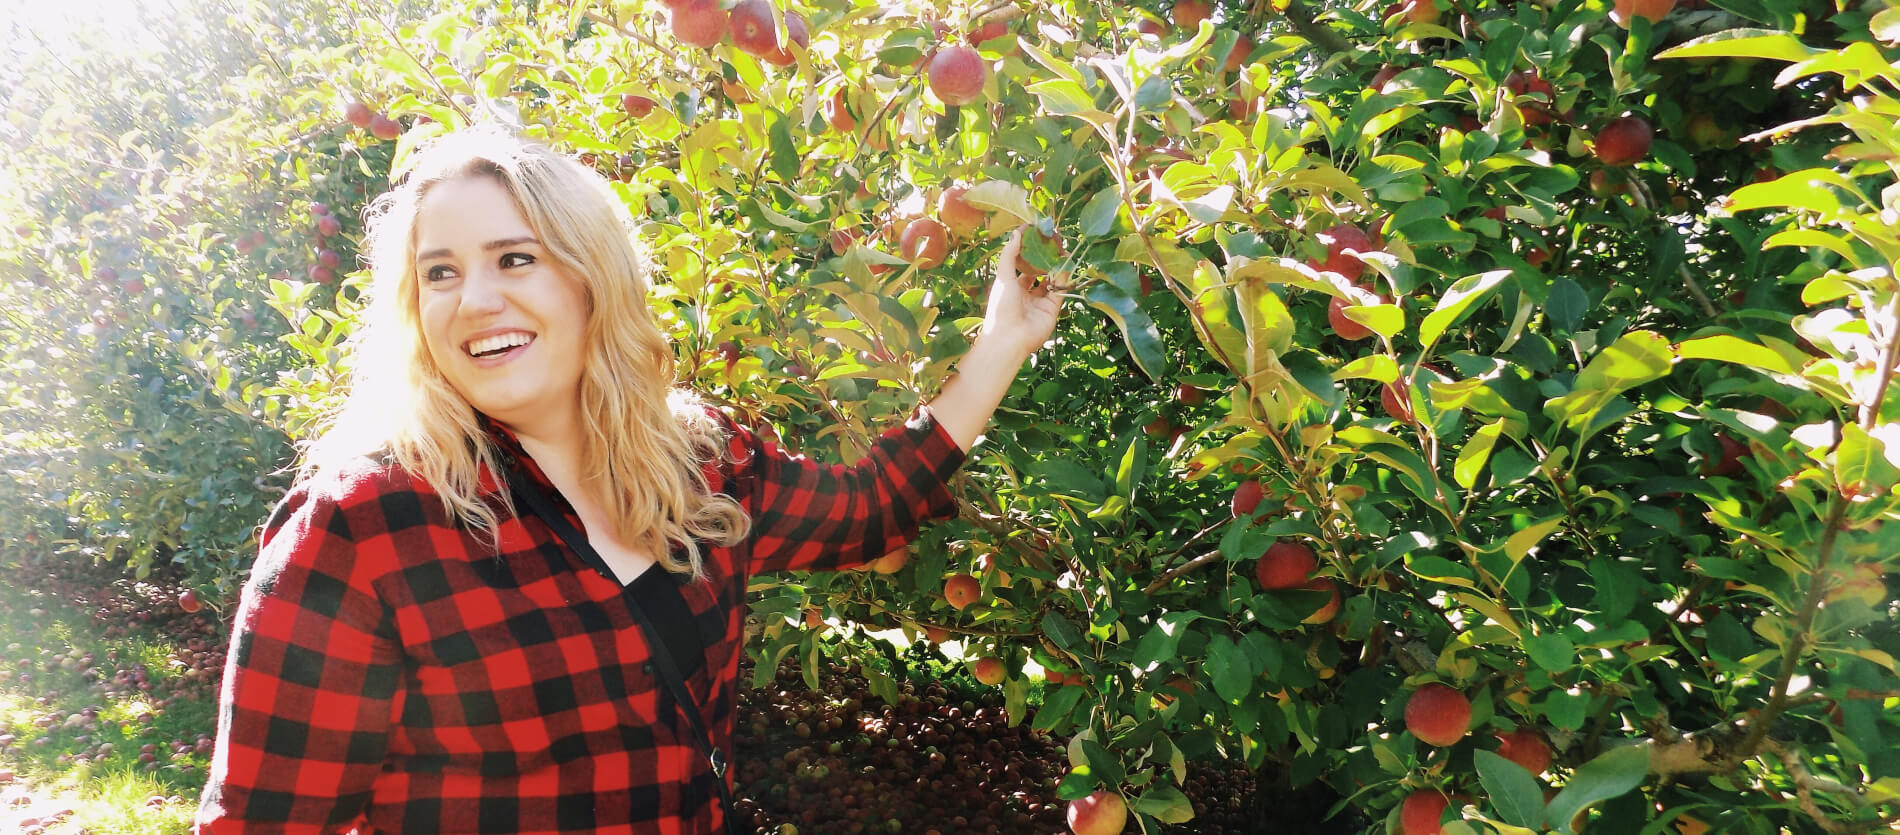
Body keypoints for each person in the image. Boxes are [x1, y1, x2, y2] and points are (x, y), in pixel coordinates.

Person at [194, 125, 1062, 834]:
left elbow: (871, 511)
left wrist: (1003, 339)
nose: (475, 300)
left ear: (590, 278)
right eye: (441, 273)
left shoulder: (697, 461)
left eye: (515, 258)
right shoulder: (366, 526)